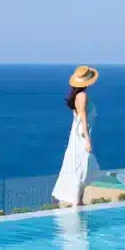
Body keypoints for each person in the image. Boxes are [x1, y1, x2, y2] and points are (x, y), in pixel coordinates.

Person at [52, 65, 101, 207]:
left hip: (77, 132)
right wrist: (88, 139)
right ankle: (76, 200)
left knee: (81, 165)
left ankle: (78, 199)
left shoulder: (76, 96)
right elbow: (84, 118)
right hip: (82, 133)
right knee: (82, 165)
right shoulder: (83, 96)